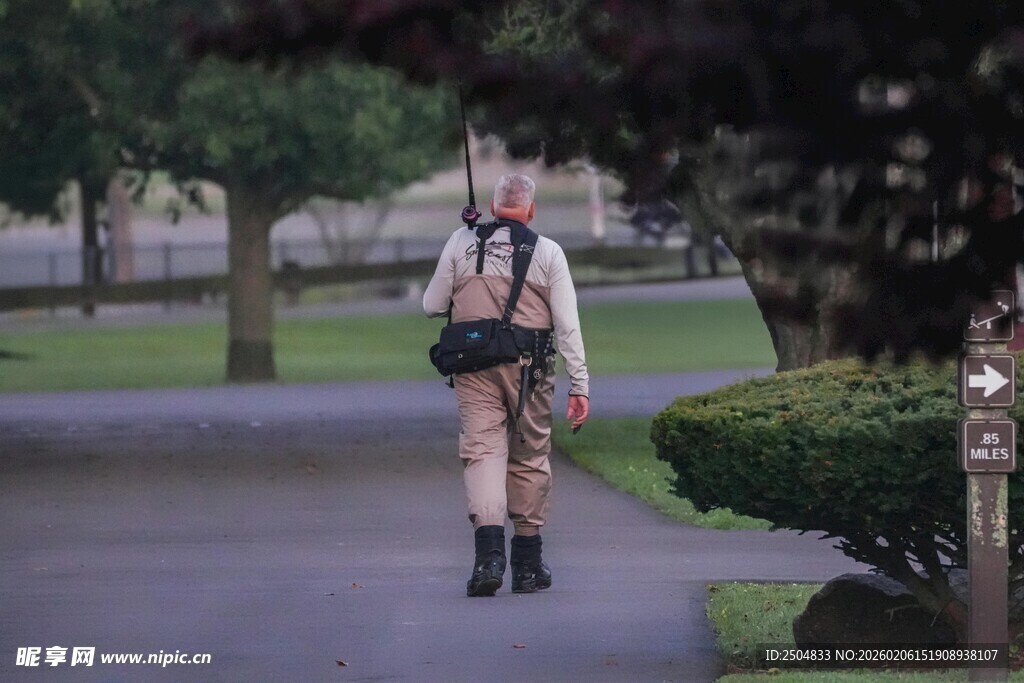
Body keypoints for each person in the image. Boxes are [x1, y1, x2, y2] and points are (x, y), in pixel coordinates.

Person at [423, 173, 590, 596]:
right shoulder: (548, 252)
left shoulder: (461, 241)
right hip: (529, 370)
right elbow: (567, 326)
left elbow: (431, 306)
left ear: (495, 207)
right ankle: (528, 565)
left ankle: (487, 561)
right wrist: (579, 385)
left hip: (472, 367)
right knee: (529, 456)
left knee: (482, 455)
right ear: (531, 210)